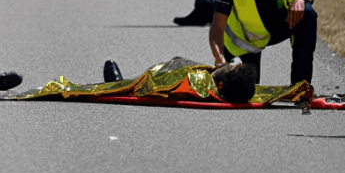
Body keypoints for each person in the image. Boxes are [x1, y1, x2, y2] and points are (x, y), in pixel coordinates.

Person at [102, 57, 260, 103]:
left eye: (228, 67)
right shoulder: (217, 82)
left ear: (220, 84)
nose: (226, 64)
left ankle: (119, 84)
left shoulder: (200, 83)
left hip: (152, 84)